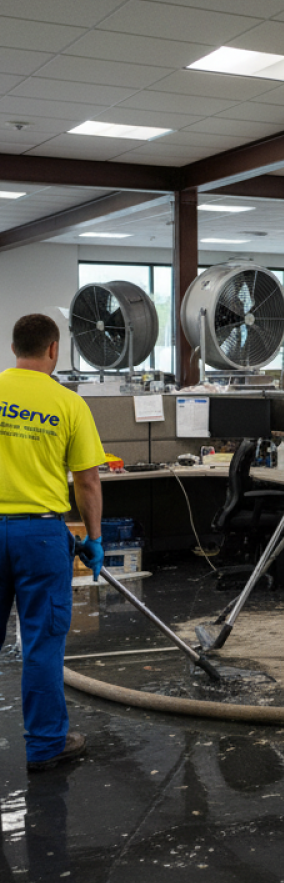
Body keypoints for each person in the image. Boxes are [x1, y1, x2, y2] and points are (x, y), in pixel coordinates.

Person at [0, 313, 105, 771]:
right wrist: (95, 538)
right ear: (53, 349)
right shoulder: (68, 404)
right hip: (41, 534)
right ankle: (45, 746)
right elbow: (87, 484)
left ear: (13, 348)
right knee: (42, 643)